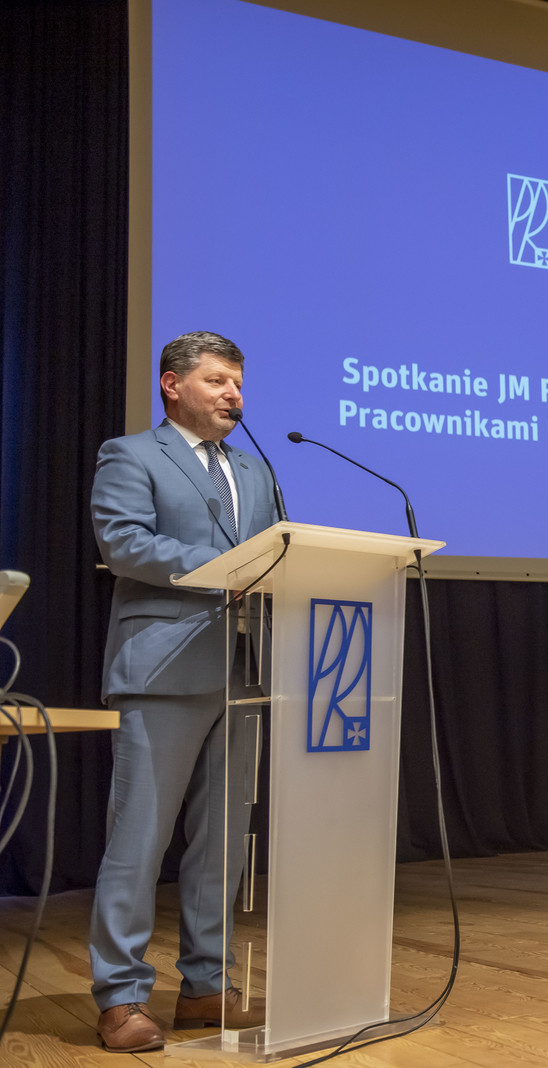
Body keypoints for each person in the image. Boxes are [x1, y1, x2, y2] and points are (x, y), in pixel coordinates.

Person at [88, 331, 278, 1052]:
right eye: (218, 380)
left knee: (224, 842)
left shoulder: (255, 468)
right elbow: (123, 543)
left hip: (243, 669)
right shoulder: (131, 454)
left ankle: (206, 986)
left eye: (239, 383)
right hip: (163, 668)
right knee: (139, 839)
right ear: (172, 384)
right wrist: (227, 566)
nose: (234, 394)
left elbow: (276, 552)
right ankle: (121, 996)